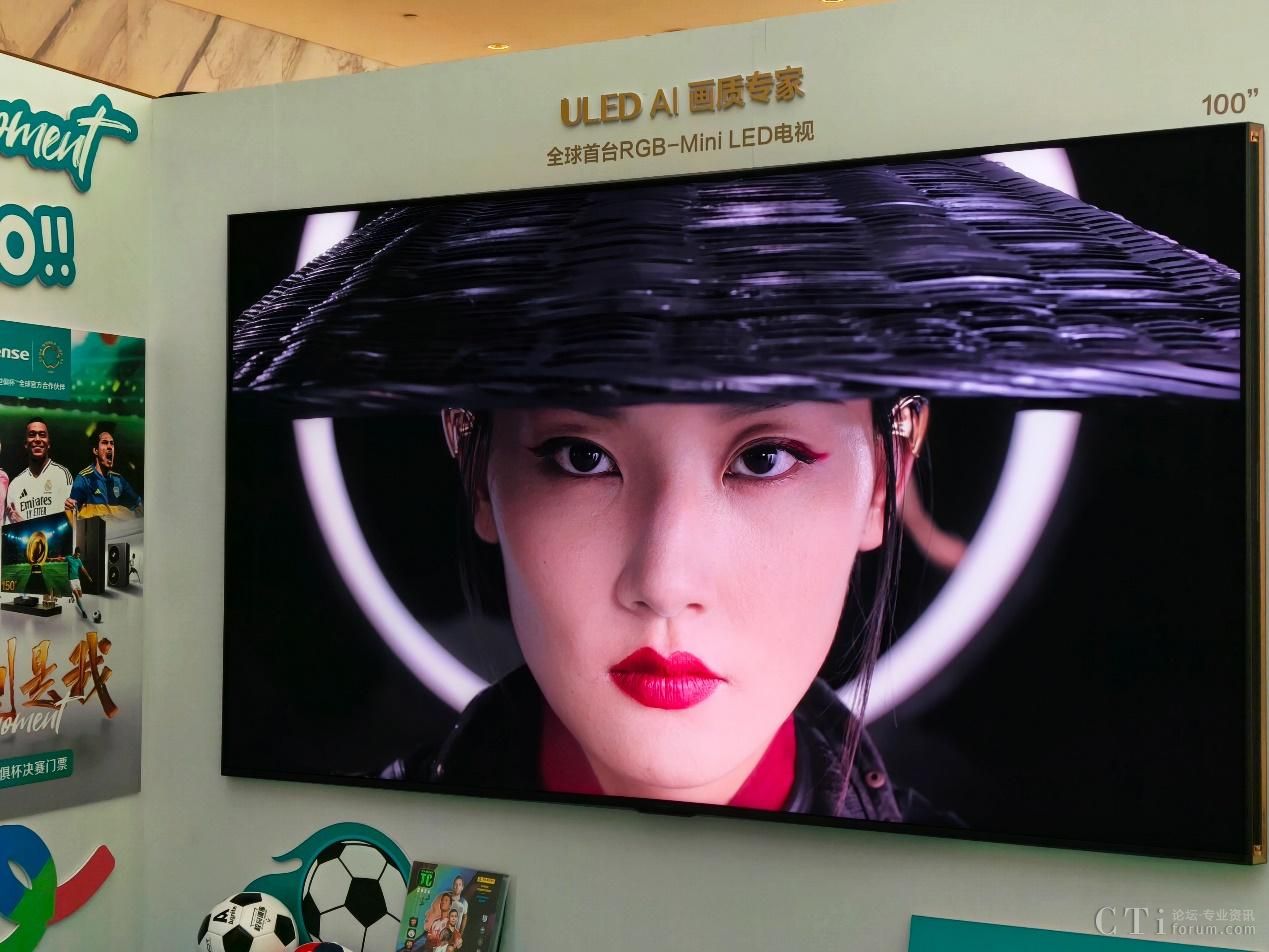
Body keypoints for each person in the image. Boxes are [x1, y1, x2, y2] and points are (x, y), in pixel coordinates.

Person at [233, 156, 1243, 822]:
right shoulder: (338, 878)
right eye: (580, 456)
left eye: (763, 458)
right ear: (476, 464)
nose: (665, 580)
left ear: (888, 473)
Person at [6, 419, 74, 523]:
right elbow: (11, 528)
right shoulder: (15, 485)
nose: (37, 439)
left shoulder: (62, 475)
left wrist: (23, 523)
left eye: (42, 435)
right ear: (25, 444)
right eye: (32, 435)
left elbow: (66, 523)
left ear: (49, 443)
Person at [70, 428, 143, 519]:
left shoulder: (118, 479)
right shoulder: (84, 478)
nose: (109, 447)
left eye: (112, 443)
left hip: (116, 528)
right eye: (105, 443)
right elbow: (72, 513)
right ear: (95, 450)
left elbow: (139, 506)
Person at [65, 546, 91, 619]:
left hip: (77, 580)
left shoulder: (79, 560)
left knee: (80, 595)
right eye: (77, 555)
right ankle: (83, 612)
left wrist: (88, 577)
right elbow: (60, 559)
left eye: (79, 555)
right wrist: (51, 559)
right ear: (75, 553)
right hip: (71, 580)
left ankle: (75, 599)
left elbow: (83, 569)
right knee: (77, 595)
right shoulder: (69, 558)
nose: (78, 556)